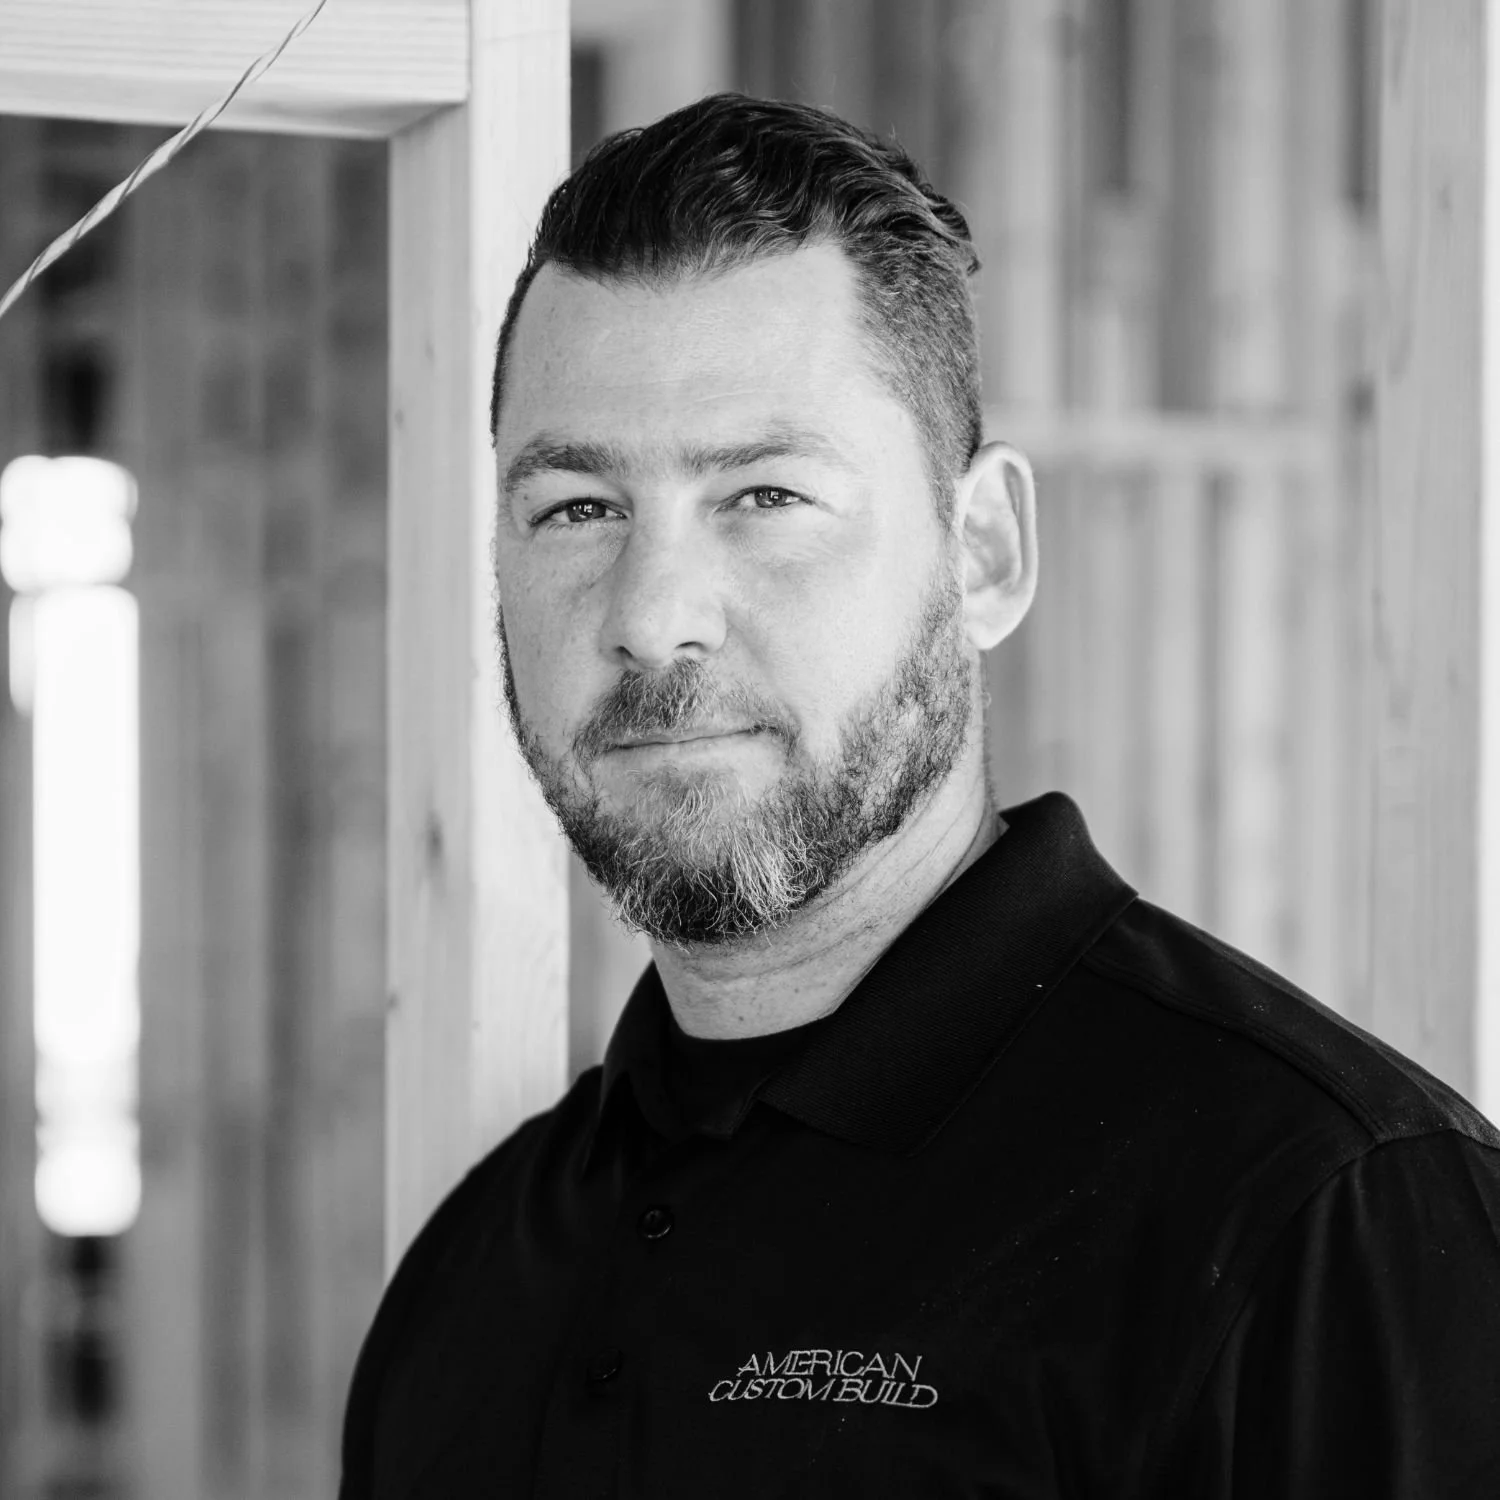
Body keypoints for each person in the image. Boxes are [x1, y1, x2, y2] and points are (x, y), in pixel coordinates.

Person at [339, 93, 1500, 1498]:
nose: (654, 617)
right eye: (577, 508)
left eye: (764, 495)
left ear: (986, 552)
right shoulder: (476, 1271)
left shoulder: (1330, 1215)